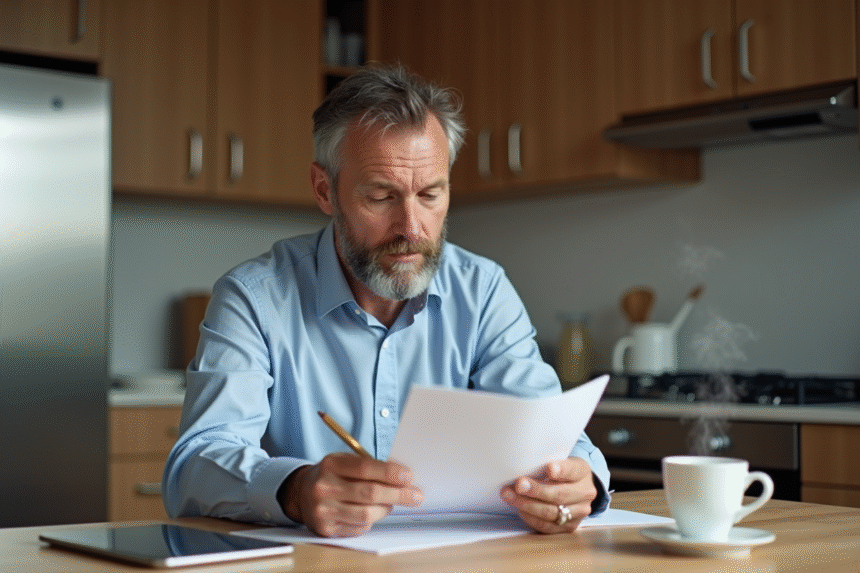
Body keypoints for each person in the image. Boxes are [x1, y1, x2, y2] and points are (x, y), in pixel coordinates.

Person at [163, 64, 610, 538]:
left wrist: (577, 483)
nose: (412, 228)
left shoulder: (483, 291)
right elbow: (196, 463)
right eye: (381, 197)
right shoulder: (253, 298)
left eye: (431, 194)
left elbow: (552, 436)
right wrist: (295, 489)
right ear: (324, 190)